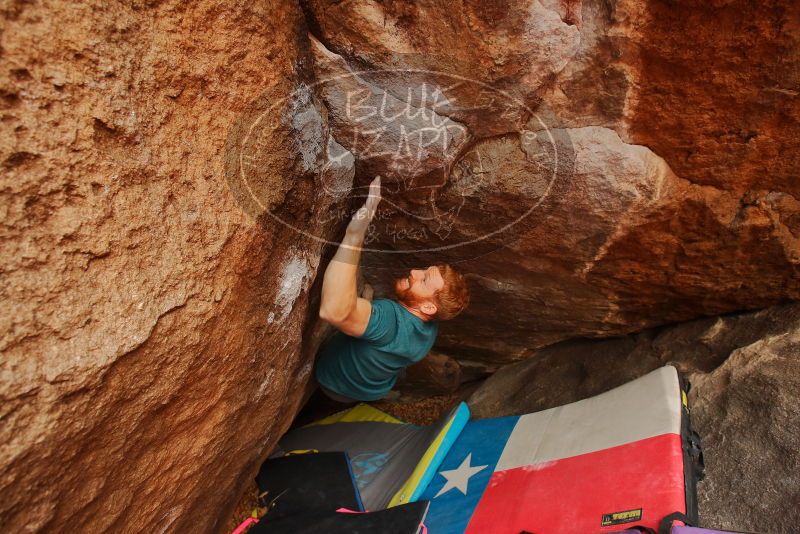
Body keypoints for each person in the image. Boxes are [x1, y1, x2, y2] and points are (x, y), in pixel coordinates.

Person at [315, 176, 470, 403]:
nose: (415, 272)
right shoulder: (430, 326)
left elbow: (333, 311)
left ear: (428, 306)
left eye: (424, 280)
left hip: (333, 383)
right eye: (424, 270)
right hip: (370, 389)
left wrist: (355, 235)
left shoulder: (390, 320)